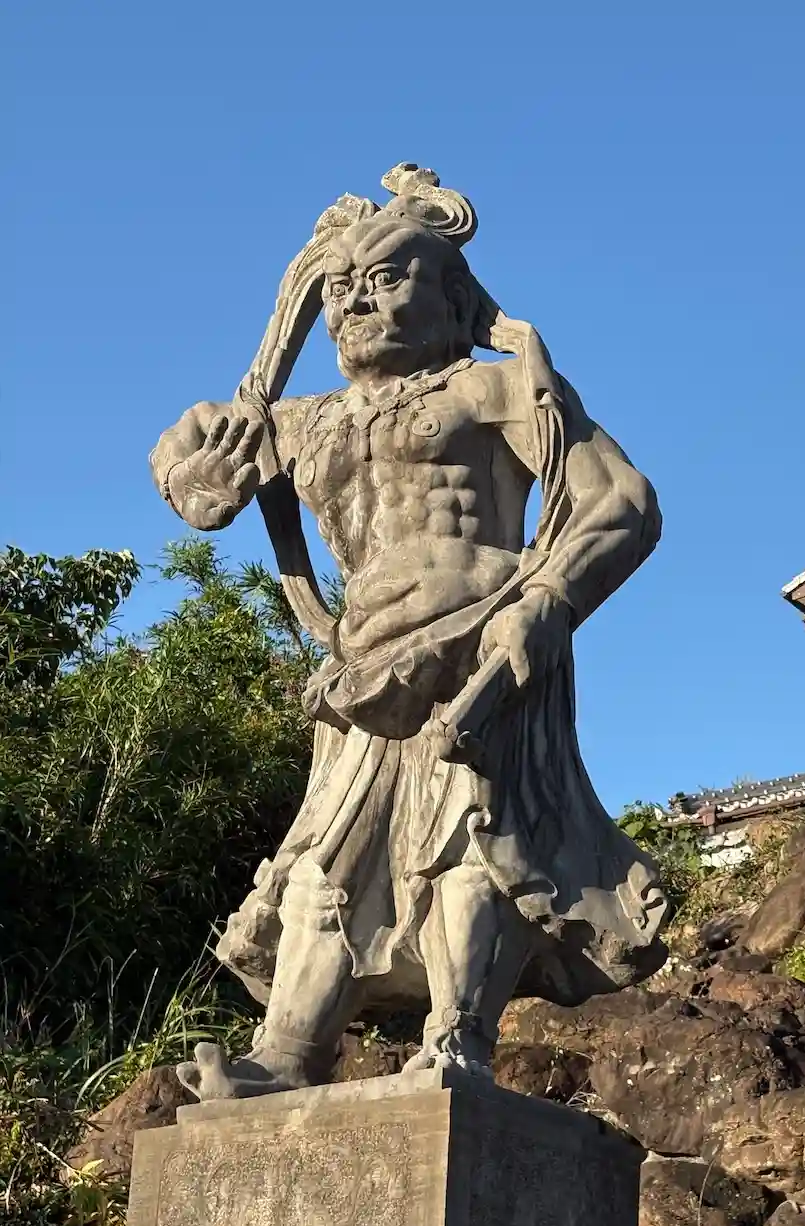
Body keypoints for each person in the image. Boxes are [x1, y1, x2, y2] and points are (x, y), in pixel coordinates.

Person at [150, 167, 668, 1099]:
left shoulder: (495, 390)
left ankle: (459, 1035)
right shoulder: (305, 423)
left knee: (472, 841)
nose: (359, 302)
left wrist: (548, 599)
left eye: (388, 278)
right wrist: (194, 480)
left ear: (454, 297)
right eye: (341, 287)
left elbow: (621, 502)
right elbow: (190, 452)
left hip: (480, 645)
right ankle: (290, 1052)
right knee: (326, 856)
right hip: (362, 666)